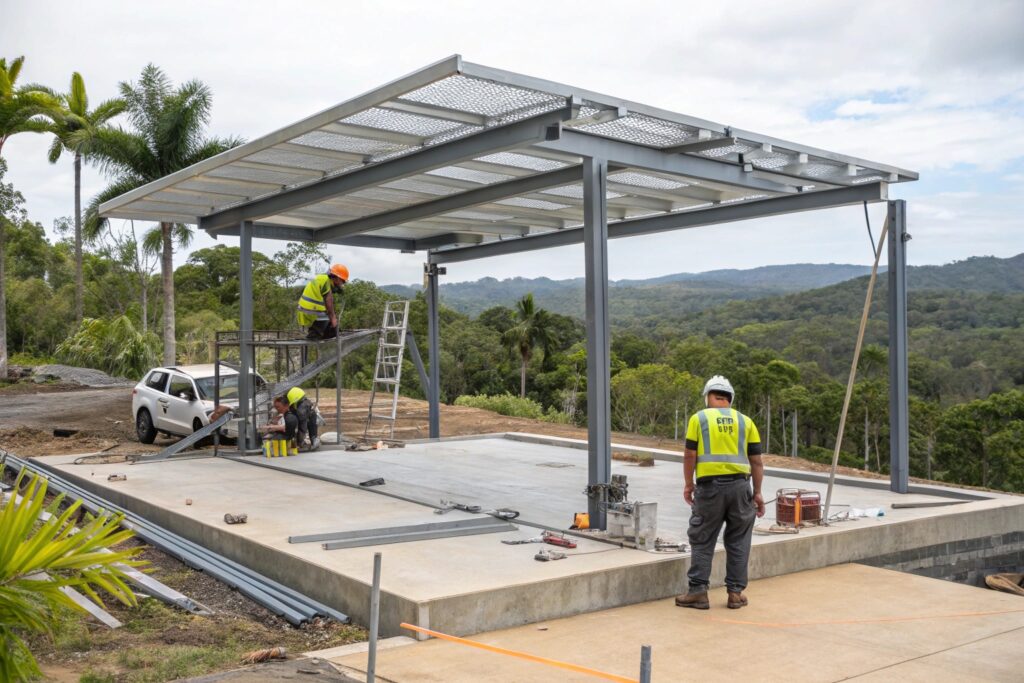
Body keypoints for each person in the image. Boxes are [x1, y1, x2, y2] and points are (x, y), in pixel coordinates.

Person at [676, 375, 766, 610]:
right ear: (730, 398)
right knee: (739, 540)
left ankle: (698, 592)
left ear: (708, 396)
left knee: (702, 538)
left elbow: (689, 455)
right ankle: (735, 594)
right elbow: (756, 461)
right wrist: (757, 493)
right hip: (741, 488)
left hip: (710, 489)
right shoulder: (746, 421)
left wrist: (688, 483)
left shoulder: (699, 418)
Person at [296, 263, 349, 340]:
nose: (342, 284)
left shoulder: (321, 277)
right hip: (312, 311)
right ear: (337, 278)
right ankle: (314, 336)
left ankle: (320, 335)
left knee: (328, 328)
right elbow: (329, 306)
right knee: (327, 323)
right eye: (343, 281)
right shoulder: (326, 282)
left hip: (303, 310)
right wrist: (334, 322)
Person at [286, 386, 320, 451]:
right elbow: (302, 426)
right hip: (300, 418)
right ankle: (301, 442)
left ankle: (311, 439)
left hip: (305, 418)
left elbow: (303, 425)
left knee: (308, 421)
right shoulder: (300, 406)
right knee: (302, 425)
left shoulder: (303, 407)